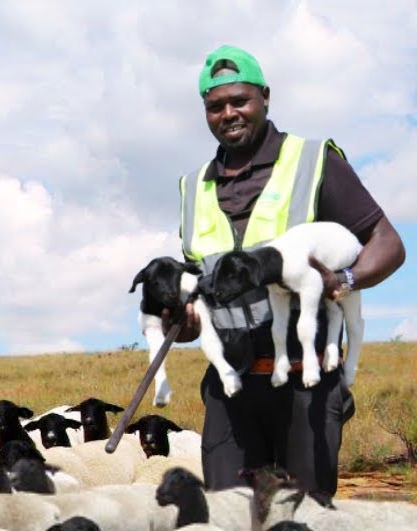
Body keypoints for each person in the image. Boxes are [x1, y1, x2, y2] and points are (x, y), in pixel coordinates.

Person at [171, 45, 405, 499]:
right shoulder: (192, 187)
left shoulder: (313, 162)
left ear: (265, 97)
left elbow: (389, 244)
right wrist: (181, 321)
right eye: (215, 106)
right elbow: (196, 296)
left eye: (240, 100)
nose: (229, 113)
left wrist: (345, 281)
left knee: (303, 520)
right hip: (230, 390)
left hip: (305, 385)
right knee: (231, 520)